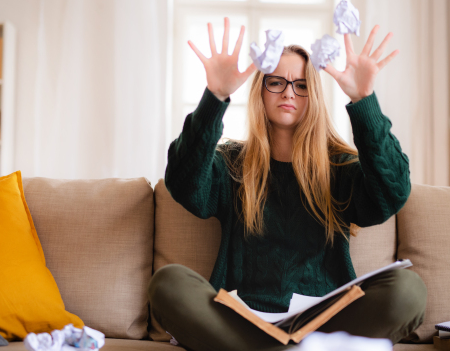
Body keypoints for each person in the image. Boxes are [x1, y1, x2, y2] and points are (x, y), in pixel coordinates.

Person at [148, 18, 427, 351]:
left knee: (409, 289)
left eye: (302, 84)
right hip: (241, 321)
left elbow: (391, 195)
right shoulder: (232, 163)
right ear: (260, 91)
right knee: (169, 282)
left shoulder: (339, 166)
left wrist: (364, 99)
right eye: (276, 82)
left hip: (325, 323)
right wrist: (215, 96)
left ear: (314, 94)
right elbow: (183, 184)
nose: (289, 93)